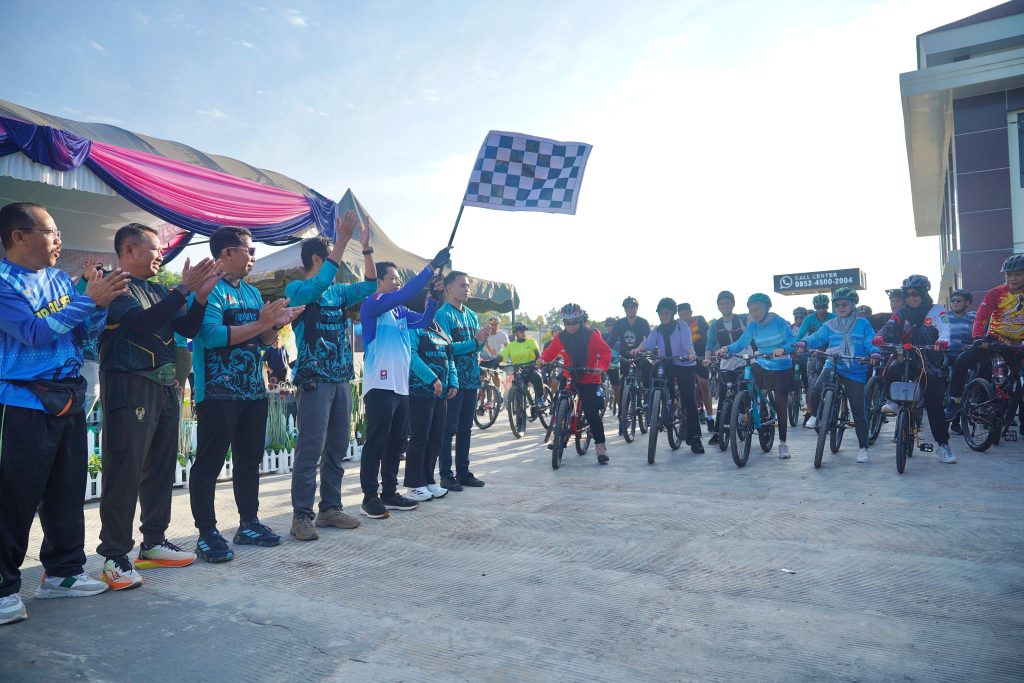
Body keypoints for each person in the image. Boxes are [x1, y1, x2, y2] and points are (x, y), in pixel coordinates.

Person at [0, 202, 129, 626]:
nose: (59, 240)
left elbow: (82, 332)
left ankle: (63, 573)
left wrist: (100, 304)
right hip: (20, 403)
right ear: (19, 236)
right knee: (13, 498)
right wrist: (87, 300)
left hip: (68, 398)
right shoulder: (3, 281)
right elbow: (33, 333)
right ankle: (2, 588)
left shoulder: (58, 279)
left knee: (66, 492)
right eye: (51, 232)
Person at [94, 223, 221, 590]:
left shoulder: (157, 290)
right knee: (125, 469)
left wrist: (199, 298)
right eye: (154, 249)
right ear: (128, 250)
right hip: (129, 385)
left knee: (161, 467)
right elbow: (141, 323)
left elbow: (189, 329)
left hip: (165, 385)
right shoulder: (114, 285)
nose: (161, 256)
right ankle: (115, 556)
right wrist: (183, 289)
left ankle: (153, 542)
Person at [189, 227, 304, 563]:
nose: (254, 256)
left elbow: (263, 342)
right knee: (209, 464)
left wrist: (277, 324)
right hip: (217, 392)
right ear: (226, 253)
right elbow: (211, 336)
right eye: (249, 250)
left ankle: (249, 523)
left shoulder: (253, 294)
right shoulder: (208, 290)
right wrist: (260, 324)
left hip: (253, 390)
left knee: (249, 462)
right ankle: (207, 533)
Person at [284, 209, 376, 541]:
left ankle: (330, 508)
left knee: (337, 447)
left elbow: (370, 286)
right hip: (313, 379)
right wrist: (341, 241)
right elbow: (319, 284)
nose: (337, 265)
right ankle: (301, 515)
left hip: (340, 379)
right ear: (317, 259)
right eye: (331, 257)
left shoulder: (338, 293)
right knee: (311, 449)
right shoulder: (297, 288)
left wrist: (366, 248)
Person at [359, 251, 448, 518]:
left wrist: (433, 298)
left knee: (396, 444)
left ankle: (389, 493)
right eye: (393, 278)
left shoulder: (399, 311)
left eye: (399, 278)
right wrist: (431, 267)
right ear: (379, 281)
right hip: (380, 386)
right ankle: (369, 497)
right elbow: (406, 292)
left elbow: (423, 320)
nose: (397, 281)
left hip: (401, 387)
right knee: (376, 443)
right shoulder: (373, 303)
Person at [874, 274, 957, 464]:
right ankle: (892, 401)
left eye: (915, 294)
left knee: (934, 404)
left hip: (930, 362)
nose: (911, 297)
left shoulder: (937, 310)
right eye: (908, 294)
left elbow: (945, 328)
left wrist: (943, 340)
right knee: (891, 370)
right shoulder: (902, 312)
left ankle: (943, 446)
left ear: (924, 293)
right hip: (907, 358)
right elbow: (889, 326)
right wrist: (880, 336)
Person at [795, 288, 880, 463]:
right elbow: (816, 337)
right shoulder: (830, 324)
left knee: (858, 410)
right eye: (838, 305)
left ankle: (863, 448)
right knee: (816, 388)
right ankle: (816, 416)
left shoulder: (863, 323)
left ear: (853, 305)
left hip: (855, 368)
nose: (840, 307)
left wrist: (874, 352)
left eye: (844, 304)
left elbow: (870, 341)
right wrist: (804, 342)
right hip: (833, 363)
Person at [716, 293, 796, 459]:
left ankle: (783, 444)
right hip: (762, 362)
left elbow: (792, 343)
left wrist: (783, 349)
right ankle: (745, 411)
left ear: (767, 307)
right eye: (751, 310)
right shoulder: (753, 326)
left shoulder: (779, 322)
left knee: (781, 404)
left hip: (781, 365)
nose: (754, 313)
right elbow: (741, 343)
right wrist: (726, 349)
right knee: (742, 381)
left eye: (757, 309)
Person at [950, 255, 1024, 418]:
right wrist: (978, 337)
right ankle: (954, 401)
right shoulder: (996, 293)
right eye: (1008, 274)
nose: (1012, 278)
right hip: (994, 341)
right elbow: (982, 316)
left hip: (1018, 345)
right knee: (961, 362)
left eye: (1017, 274)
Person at [435, 271, 490, 491]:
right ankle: (446, 475)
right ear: (448, 288)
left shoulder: (472, 315)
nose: (467, 289)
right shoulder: (442, 315)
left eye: (468, 286)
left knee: (466, 428)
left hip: (471, 378)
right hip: (453, 380)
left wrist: (481, 340)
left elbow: (476, 347)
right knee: (449, 428)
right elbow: (445, 348)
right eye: (462, 286)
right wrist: (474, 342)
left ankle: (463, 472)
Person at [538, 303, 613, 463]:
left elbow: (606, 351)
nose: (571, 326)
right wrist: (542, 360)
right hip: (570, 374)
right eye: (567, 323)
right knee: (559, 402)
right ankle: (559, 435)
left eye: (574, 322)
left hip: (589, 375)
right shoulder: (561, 337)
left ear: (580, 320)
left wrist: (601, 367)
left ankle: (600, 446)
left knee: (591, 412)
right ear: (564, 322)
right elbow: (550, 352)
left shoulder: (591, 335)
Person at [406, 285, 457, 502]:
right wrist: (432, 379)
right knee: (420, 438)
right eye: (431, 298)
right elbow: (412, 356)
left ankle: (428, 480)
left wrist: (453, 381)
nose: (436, 302)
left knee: (436, 437)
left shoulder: (438, 327)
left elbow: (449, 357)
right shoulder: (414, 325)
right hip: (420, 391)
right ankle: (414, 484)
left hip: (440, 394)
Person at [634, 298, 704, 453]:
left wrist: (691, 353)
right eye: (661, 313)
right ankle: (654, 406)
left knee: (689, 399)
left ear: (673, 314)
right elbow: (648, 343)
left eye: (667, 313)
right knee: (654, 375)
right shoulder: (657, 330)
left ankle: (695, 438)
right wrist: (638, 349)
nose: (664, 316)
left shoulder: (681, 326)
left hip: (684, 364)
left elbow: (687, 343)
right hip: (666, 364)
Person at [705, 291, 749, 445]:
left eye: (728, 303)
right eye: (722, 303)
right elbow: (710, 344)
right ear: (718, 306)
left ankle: (745, 416)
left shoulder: (741, 319)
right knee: (723, 396)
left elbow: (751, 333)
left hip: (744, 358)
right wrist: (706, 359)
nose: (725, 306)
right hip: (726, 361)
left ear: (733, 304)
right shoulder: (715, 325)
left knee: (744, 388)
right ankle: (719, 432)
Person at [678, 302, 713, 433]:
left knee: (704, 385)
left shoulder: (699, 320)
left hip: (699, 355)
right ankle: (682, 419)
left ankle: (710, 418)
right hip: (683, 357)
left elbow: (706, 339)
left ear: (691, 313)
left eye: (686, 314)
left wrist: (706, 356)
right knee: (681, 389)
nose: (684, 317)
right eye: (681, 315)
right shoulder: (677, 325)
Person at [500, 323, 545, 411]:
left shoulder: (531, 341)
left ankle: (540, 398)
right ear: (516, 333)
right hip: (518, 370)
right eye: (521, 331)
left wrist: (538, 359)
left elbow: (537, 353)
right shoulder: (511, 346)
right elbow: (501, 356)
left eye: (525, 330)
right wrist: (494, 363)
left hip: (531, 368)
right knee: (517, 387)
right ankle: (518, 409)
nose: (524, 332)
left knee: (537, 376)